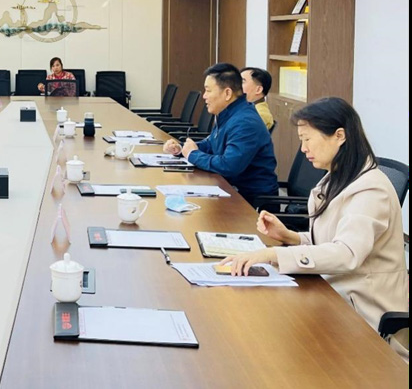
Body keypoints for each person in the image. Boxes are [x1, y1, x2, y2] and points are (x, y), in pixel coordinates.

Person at [220, 97, 408, 358]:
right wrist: (290, 237)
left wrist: (274, 254)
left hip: (364, 316)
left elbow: (346, 253)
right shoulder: (337, 178)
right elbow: (330, 242)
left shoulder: (371, 189)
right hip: (333, 295)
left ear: (339, 136)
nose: (303, 148)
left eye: (307, 139)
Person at [163, 63, 278, 206]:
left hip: (251, 203)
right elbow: (211, 144)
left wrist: (193, 155)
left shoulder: (245, 122)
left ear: (227, 93)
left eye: (208, 90)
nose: (204, 96)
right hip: (230, 191)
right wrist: (181, 149)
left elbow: (229, 166)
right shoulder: (229, 113)